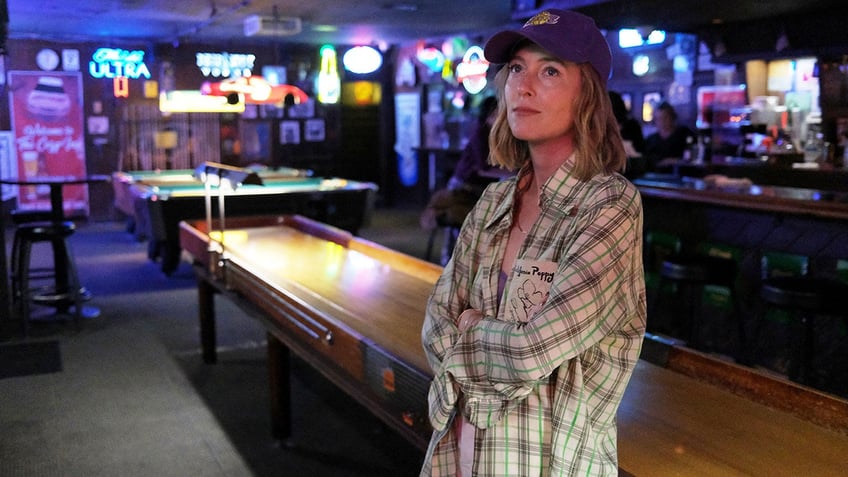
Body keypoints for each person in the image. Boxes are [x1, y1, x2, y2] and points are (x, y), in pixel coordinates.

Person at [420, 9, 647, 477]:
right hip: (460, 454)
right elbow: (434, 328)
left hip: (550, 463)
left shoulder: (610, 204)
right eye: (517, 69)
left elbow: (531, 352)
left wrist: (470, 328)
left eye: (549, 71)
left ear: (587, 93)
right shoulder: (494, 201)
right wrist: (493, 340)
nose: (523, 86)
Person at [643, 101, 694, 169]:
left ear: (672, 117)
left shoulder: (684, 134)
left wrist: (675, 161)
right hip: (655, 176)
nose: (662, 122)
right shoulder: (651, 140)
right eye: (658, 119)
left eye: (665, 118)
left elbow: (691, 157)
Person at [609, 90, 646, 178]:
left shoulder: (632, 125)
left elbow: (640, 150)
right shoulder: (601, 127)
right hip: (612, 171)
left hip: (632, 169)